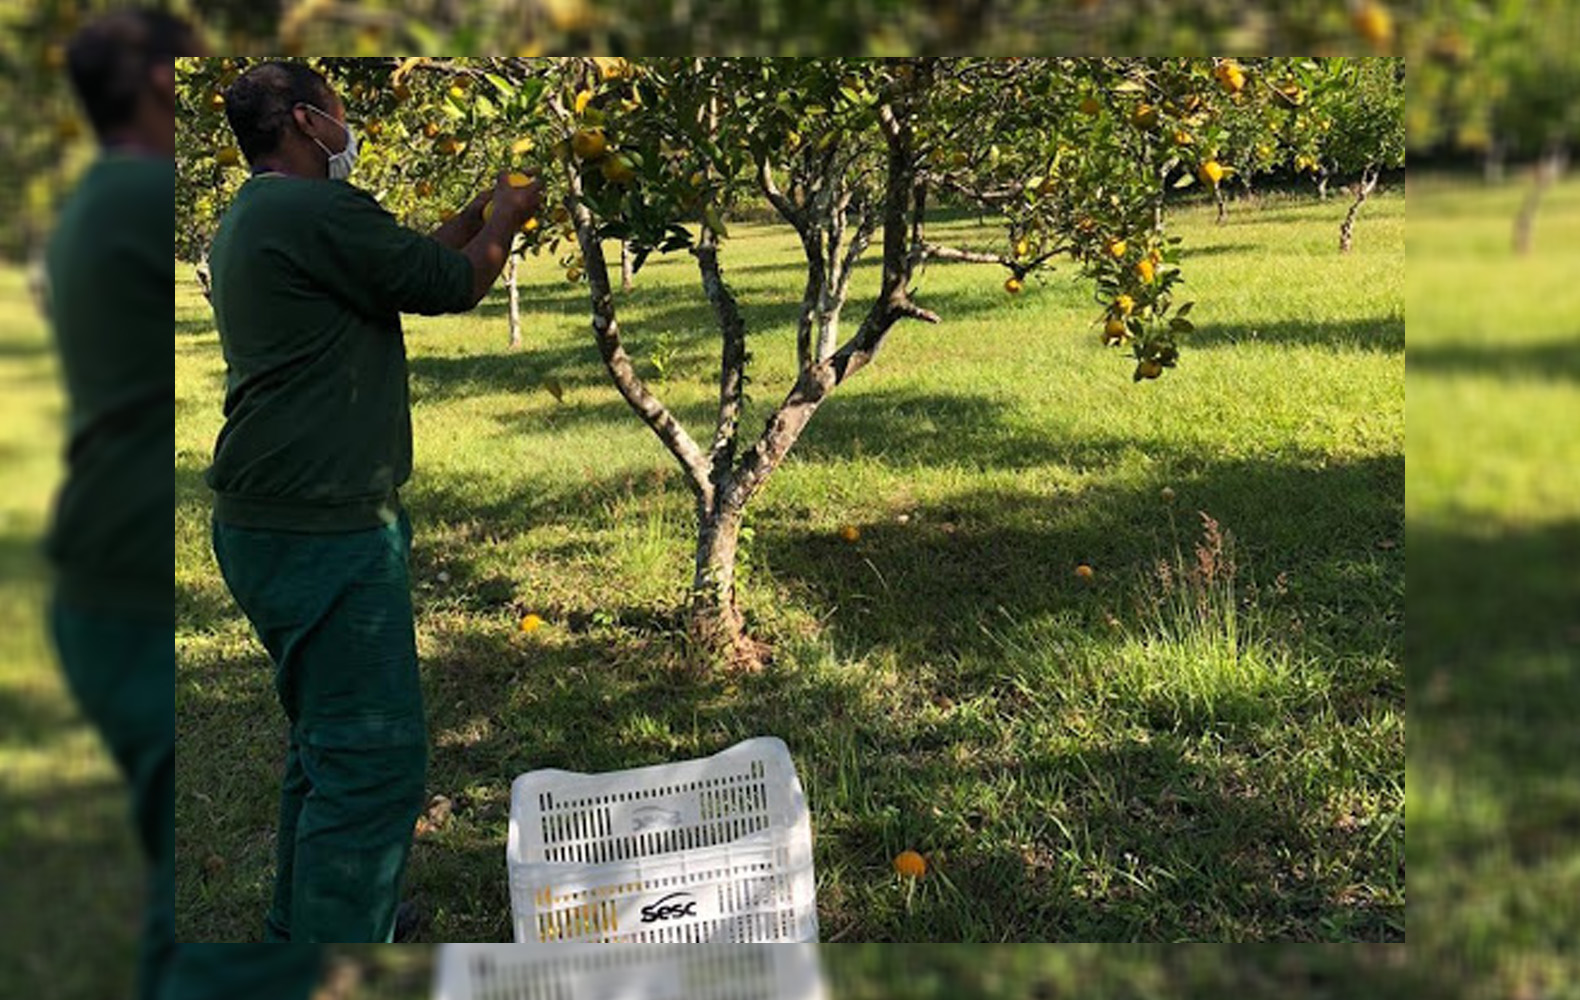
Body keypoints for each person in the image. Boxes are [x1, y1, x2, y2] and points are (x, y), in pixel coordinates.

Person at [204, 59, 541, 944]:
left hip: (273, 521)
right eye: (342, 116)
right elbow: (449, 284)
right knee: (373, 763)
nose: (350, 131)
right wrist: (508, 216)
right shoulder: (315, 211)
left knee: (325, 748)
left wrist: (473, 212)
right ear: (309, 122)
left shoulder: (263, 214)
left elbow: (408, 261)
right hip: (321, 528)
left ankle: (307, 928)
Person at [42, 11, 195, 999]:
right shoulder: (143, 192)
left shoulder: (101, 196)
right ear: (151, 78)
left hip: (111, 578)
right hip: (130, 587)